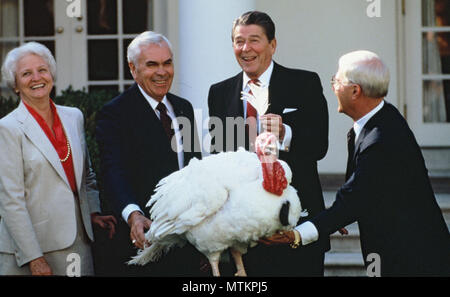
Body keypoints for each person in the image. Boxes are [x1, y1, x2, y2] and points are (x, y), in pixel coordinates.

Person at [261, 50, 450, 276]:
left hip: (415, 260)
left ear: (355, 91)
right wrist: (340, 214)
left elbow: (354, 197)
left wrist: (296, 236)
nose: (333, 87)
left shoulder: (381, 139)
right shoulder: (379, 119)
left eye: (337, 81)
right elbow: (363, 189)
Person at [207, 11, 330, 276]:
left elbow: (320, 146)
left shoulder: (305, 83)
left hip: (295, 225)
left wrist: (286, 131)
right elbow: (220, 159)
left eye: (254, 40)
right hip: (244, 234)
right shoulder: (219, 93)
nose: (246, 49)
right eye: (239, 41)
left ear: (272, 45)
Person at [0, 42, 116, 276]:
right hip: (30, 247)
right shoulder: (7, 128)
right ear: (15, 85)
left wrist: (91, 213)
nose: (36, 78)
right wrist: (35, 258)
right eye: (26, 73)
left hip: (77, 242)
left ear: (51, 74)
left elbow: (86, 176)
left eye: (42, 70)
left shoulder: (74, 116)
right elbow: (11, 200)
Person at [95, 31, 205, 276]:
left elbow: (194, 169)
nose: (162, 72)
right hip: (143, 240)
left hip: (186, 241)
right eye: (152, 64)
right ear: (133, 69)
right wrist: (133, 215)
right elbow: (113, 172)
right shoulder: (115, 114)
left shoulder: (183, 108)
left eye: (167, 63)